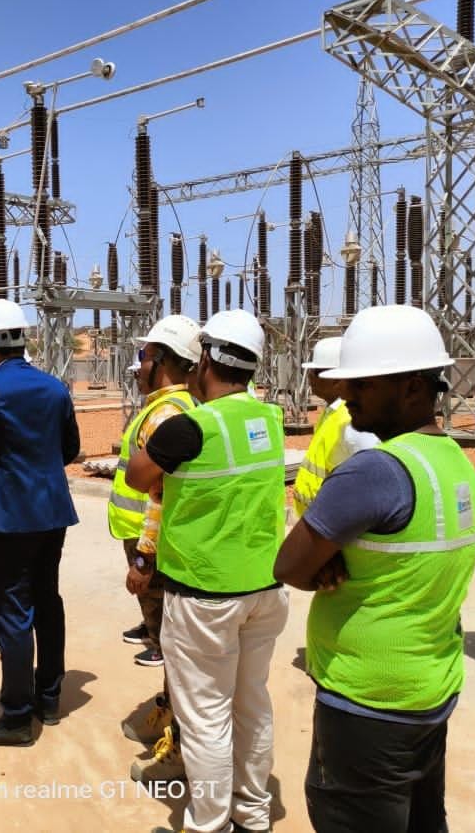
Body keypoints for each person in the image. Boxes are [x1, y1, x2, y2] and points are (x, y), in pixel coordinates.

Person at [274, 305, 475, 831]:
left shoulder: (375, 471)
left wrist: (325, 558)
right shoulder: (454, 461)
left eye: (363, 383)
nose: (346, 393)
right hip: (429, 689)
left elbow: (290, 565)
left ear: (412, 387)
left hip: (367, 700)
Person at [127, 309, 289, 833]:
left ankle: (209, 824)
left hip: (206, 596)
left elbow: (137, 476)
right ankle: (253, 814)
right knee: (252, 706)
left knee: (205, 718)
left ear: (207, 360)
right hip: (265, 589)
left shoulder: (190, 428)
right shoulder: (269, 418)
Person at [0, 299, 80, 747]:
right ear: (22, 339)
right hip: (51, 515)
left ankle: (17, 717)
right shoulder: (54, 387)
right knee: (47, 601)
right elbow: (69, 449)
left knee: (12, 614)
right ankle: (50, 697)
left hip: (6, 520)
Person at [111, 314, 201, 669]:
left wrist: (143, 559)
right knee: (161, 613)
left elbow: (159, 495)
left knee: (164, 619)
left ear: (160, 361)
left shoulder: (165, 414)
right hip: (144, 532)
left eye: (144, 356)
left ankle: (170, 693)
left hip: (149, 537)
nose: (140, 366)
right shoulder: (174, 405)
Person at [292, 336, 379, 517]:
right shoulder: (331, 412)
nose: (309, 377)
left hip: (333, 524)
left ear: (336, 379)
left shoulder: (352, 422)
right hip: (318, 520)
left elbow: (372, 481)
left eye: (315, 372)